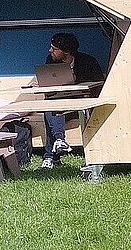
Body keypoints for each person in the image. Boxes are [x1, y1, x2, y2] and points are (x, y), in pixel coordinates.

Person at [39, 32, 105, 169]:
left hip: (84, 104)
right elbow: (49, 84)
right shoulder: (51, 60)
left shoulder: (88, 62)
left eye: (54, 48)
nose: (50, 50)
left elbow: (98, 86)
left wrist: (77, 83)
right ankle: (58, 142)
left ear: (67, 51)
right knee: (50, 110)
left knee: (54, 111)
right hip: (61, 103)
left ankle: (52, 155)